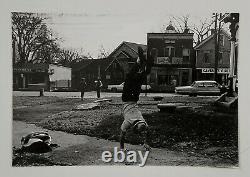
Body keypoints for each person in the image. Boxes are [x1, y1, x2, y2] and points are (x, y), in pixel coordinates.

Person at [120, 46, 156, 151]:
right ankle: (143, 61)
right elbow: (122, 135)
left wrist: (122, 149)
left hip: (130, 98)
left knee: (137, 77)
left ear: (137, 124)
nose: (143, 123)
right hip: (129, 98)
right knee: (136, 77)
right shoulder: (138, 123)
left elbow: (122, 135)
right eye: (143, 124)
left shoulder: (132, 122)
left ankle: (141, 61)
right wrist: (145, 143)